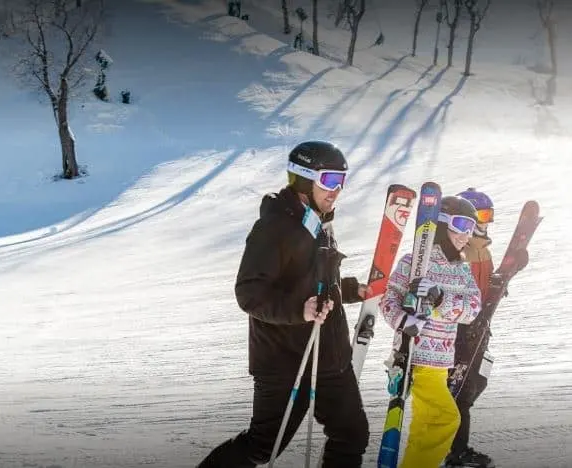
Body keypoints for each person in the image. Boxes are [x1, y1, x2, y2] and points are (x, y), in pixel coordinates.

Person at [197, 141, 370, 468]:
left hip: (328, 357)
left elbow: (314, 282)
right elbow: (249, 292)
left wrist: (348, 289)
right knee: (263, 447)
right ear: (304, 179)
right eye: (330, 181)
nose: (337, 190)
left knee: (351, 434)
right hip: (286, 360)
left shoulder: (319, 222)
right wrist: (298, 310)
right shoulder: (274, 227)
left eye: (342, 181)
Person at [380, 195, 482, 468]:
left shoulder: (462, 269)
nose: (466, 234)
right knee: (443, 419)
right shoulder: (412, 262)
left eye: (471, 227)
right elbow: (387, 301)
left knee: (426, 425)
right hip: (415, 358)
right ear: (441, 223)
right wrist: (405, 321)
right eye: (461, 224)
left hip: (441, 361)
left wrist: (441, 299)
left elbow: (473, 308)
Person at [444, 188, 497, 468]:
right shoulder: (462, 249)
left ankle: (454, 444)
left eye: (489, 215)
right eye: (481, 216)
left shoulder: (482, 249)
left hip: (480, 327)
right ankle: (456, 450)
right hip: (461, 330)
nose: (485, 222)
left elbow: (484, 289)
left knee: (477, 383)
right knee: (460, 390)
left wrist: (501, 283)